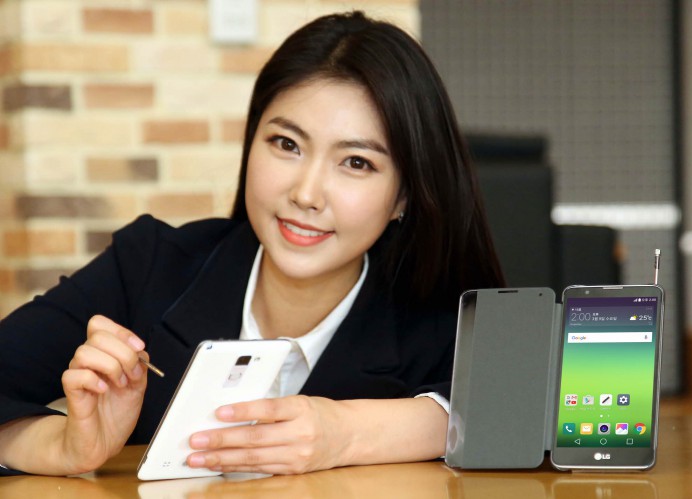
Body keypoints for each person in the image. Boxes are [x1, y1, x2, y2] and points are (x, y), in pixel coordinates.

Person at [0, 11, 504, 476]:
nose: (306, 194)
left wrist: (347, 433)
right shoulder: (150, 266)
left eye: (356, 162)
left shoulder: (441, 315)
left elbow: (520, 411)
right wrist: (64, 447)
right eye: (286, 144)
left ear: (404, 197)